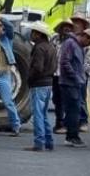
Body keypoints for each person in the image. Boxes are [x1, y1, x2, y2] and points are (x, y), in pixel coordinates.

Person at [59, 26, 90, 147]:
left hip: (75, 83)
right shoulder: (71, 43)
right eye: (89, 40)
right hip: (69, 83)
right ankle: (72, 136)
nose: (89, 44)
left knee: (74, 110)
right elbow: (65, 62)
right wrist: (75, 77)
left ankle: (71, 135)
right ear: (85, 37)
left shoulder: (78, 46)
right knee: (73, 110)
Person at [26, 21, 57, 151]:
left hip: (39, 84)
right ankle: (49, 141)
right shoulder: (51, 47)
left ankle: (39, 142)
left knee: (38, 115)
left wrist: (29, 79)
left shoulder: (39, 48)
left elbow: (37, 68)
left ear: (38, 34)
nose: (31, 35)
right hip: (48, 83)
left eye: (33, 32)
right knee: (43, 114)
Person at [72, 13, 90, 133]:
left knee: (81, 97)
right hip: (70, 73)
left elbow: (89, 61)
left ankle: (83, 120)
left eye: (78, 22)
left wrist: (82, 73)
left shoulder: (89, 40)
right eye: (75, 21)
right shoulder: (71, 38)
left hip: (81, 73)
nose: (76, 24)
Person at [51, 19, 74, 134]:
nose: (66, 29)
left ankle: (64, 123)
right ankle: (59, 123)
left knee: (66, 100)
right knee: (57, 100)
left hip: (67, 75)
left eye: (69, 27)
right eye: (64, 26)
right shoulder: (54, 39)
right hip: (55, 74)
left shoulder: (72, 42)